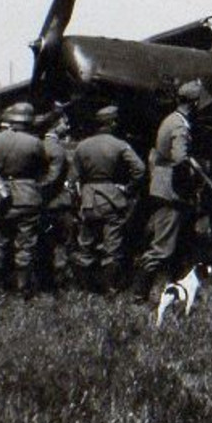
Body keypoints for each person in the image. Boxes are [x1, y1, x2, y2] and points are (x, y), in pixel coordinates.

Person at [135, 80, 202, 305]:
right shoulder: (181, 126)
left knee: (173, 242)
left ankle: (169, 290)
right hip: (172, 191)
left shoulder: (170, 119)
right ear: (194, 102)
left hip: (162, 185)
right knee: (162, 247)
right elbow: (180, 158)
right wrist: (191, 182)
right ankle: (139, 294)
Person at [72, 105, 147, 294]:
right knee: (112, 245)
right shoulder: (119, 145)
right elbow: (140, 170)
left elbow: (75, 175)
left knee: (86, 244)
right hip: (111, 198)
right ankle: (109, 287)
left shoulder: (82, 145)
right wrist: (128, 189)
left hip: (88, 199)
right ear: (112, 123)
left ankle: (85, 288)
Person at [0, 102, 50, 296]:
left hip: (1, 196)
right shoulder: (35, 142)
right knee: (25, 245)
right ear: (29, 121)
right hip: (27, 197)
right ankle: (24, 290)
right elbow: (43, 170)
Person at [37, 110, 77, 293]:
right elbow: (52, 179)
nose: (67, 126)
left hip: (43, 204)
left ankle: (45, 281)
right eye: (64, 122)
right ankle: (62, 282)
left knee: (45, 244)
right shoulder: (57, 149)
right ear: (56, 124)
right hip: (58, 203)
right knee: (65, 243)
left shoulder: (38, 144)